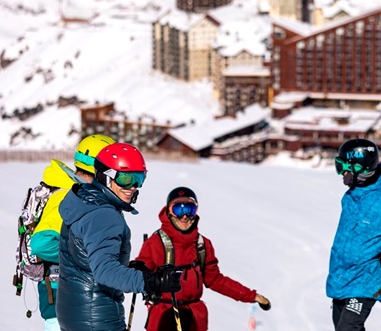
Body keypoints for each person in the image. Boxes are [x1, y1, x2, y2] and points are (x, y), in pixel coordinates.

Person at [56, 142, 183, 331]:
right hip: (97, 318)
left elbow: (90, 259)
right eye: (125, 178)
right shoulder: (105, 215)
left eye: (139, 178)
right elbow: (105, 271)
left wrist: (132, 271)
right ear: (105, 176)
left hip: (75, 315)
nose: (132, 187)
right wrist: (151, 282)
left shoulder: (84, 202)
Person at [132, 186, 271, 331]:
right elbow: (142, 272)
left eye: (189, 209)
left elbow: (215, 280)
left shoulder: (202, 245)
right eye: (178, 209)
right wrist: (139, 268)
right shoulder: (156, 242)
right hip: (164, 316)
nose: (184, 216)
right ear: (169, 212)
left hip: (194, 318)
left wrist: (251, 296)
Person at [29, 134, 115, 331]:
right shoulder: (66, 196)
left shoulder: (81, 194)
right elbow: (41, 243)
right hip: (61, 302)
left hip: (75, 300)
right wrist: (82, 255)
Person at [326, 138, 381, 331]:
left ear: (360, 168)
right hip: (341, 276)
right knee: (341, 327)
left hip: (365, 281)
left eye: (344, 168)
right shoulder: (350, 197)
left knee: (347, 328)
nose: (342, 174)